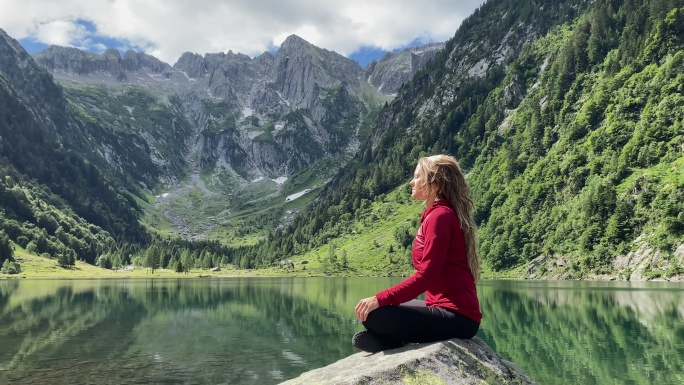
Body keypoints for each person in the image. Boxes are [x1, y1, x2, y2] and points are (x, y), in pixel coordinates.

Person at [352, 154, 482, 353]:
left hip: (458, 318)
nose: (411, 182)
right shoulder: (440, 214)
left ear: (433, 181)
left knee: (373, 313)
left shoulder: (441, 216)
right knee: (371, 309)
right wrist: (381, 301)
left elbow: (427, 276)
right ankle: (395, 339)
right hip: (451, 313)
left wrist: (380, 298)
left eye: (417, 177)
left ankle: (395, 339)